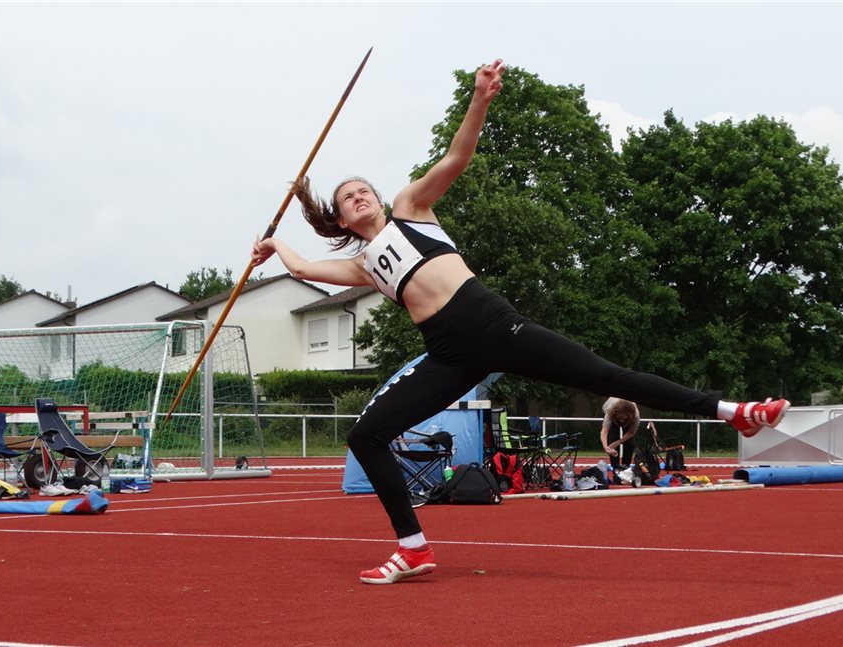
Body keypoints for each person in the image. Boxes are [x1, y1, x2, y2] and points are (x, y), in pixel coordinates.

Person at [251, 58, 790, 584]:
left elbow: (457, 157)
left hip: (490, 323)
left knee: (608, 377)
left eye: (361, 188)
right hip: (448, 353)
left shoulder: (410, 207)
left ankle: (733, 410)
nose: (358, 195)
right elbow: (301, 266)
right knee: (366, 435)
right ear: (342, 219)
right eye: (347, 198)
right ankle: (413, 549)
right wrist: (274, 244)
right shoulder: (362, 266)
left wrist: (480, 99)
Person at [600, 397, 640, 471]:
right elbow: (604, 432)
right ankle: (616, 469)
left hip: (629, 420)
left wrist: (619, 442)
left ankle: (626, 468)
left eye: (623, 419)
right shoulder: (610, 410)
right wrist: (606, 447)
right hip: (612, 416)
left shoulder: (635, 415)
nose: (621, 421)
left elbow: (631, 432)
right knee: (612, 439)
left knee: (630, 443)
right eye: (620, 419)